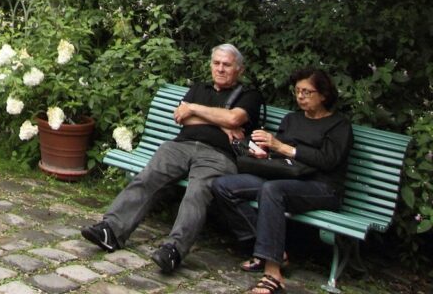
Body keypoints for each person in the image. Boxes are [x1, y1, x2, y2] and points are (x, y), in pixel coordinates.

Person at [80, 44, 262, 275]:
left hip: (218, 156)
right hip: (180, 147)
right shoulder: (199, 88)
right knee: (148, 177)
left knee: (196, 193)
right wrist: (220, 121)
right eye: (216, 63)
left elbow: (234, 118)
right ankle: (111, 230)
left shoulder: (249, 96)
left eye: (226, 65)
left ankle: (174, 250)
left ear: (239, 70)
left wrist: (195, 109)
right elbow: (182, 117)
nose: (220, 69)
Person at [210, 68, 353, 294]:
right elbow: (279, 156)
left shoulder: (339, 125)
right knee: (223, 185)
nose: (301, 96)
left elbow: (328, 161)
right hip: (285, 178)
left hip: (322, 187)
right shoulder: (292, 119)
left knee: (272, 190)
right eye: (297, 91)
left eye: (307, 92)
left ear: (324, 95)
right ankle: (268, 248)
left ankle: (272, 273)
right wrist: (263, 153)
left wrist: (282, 147)